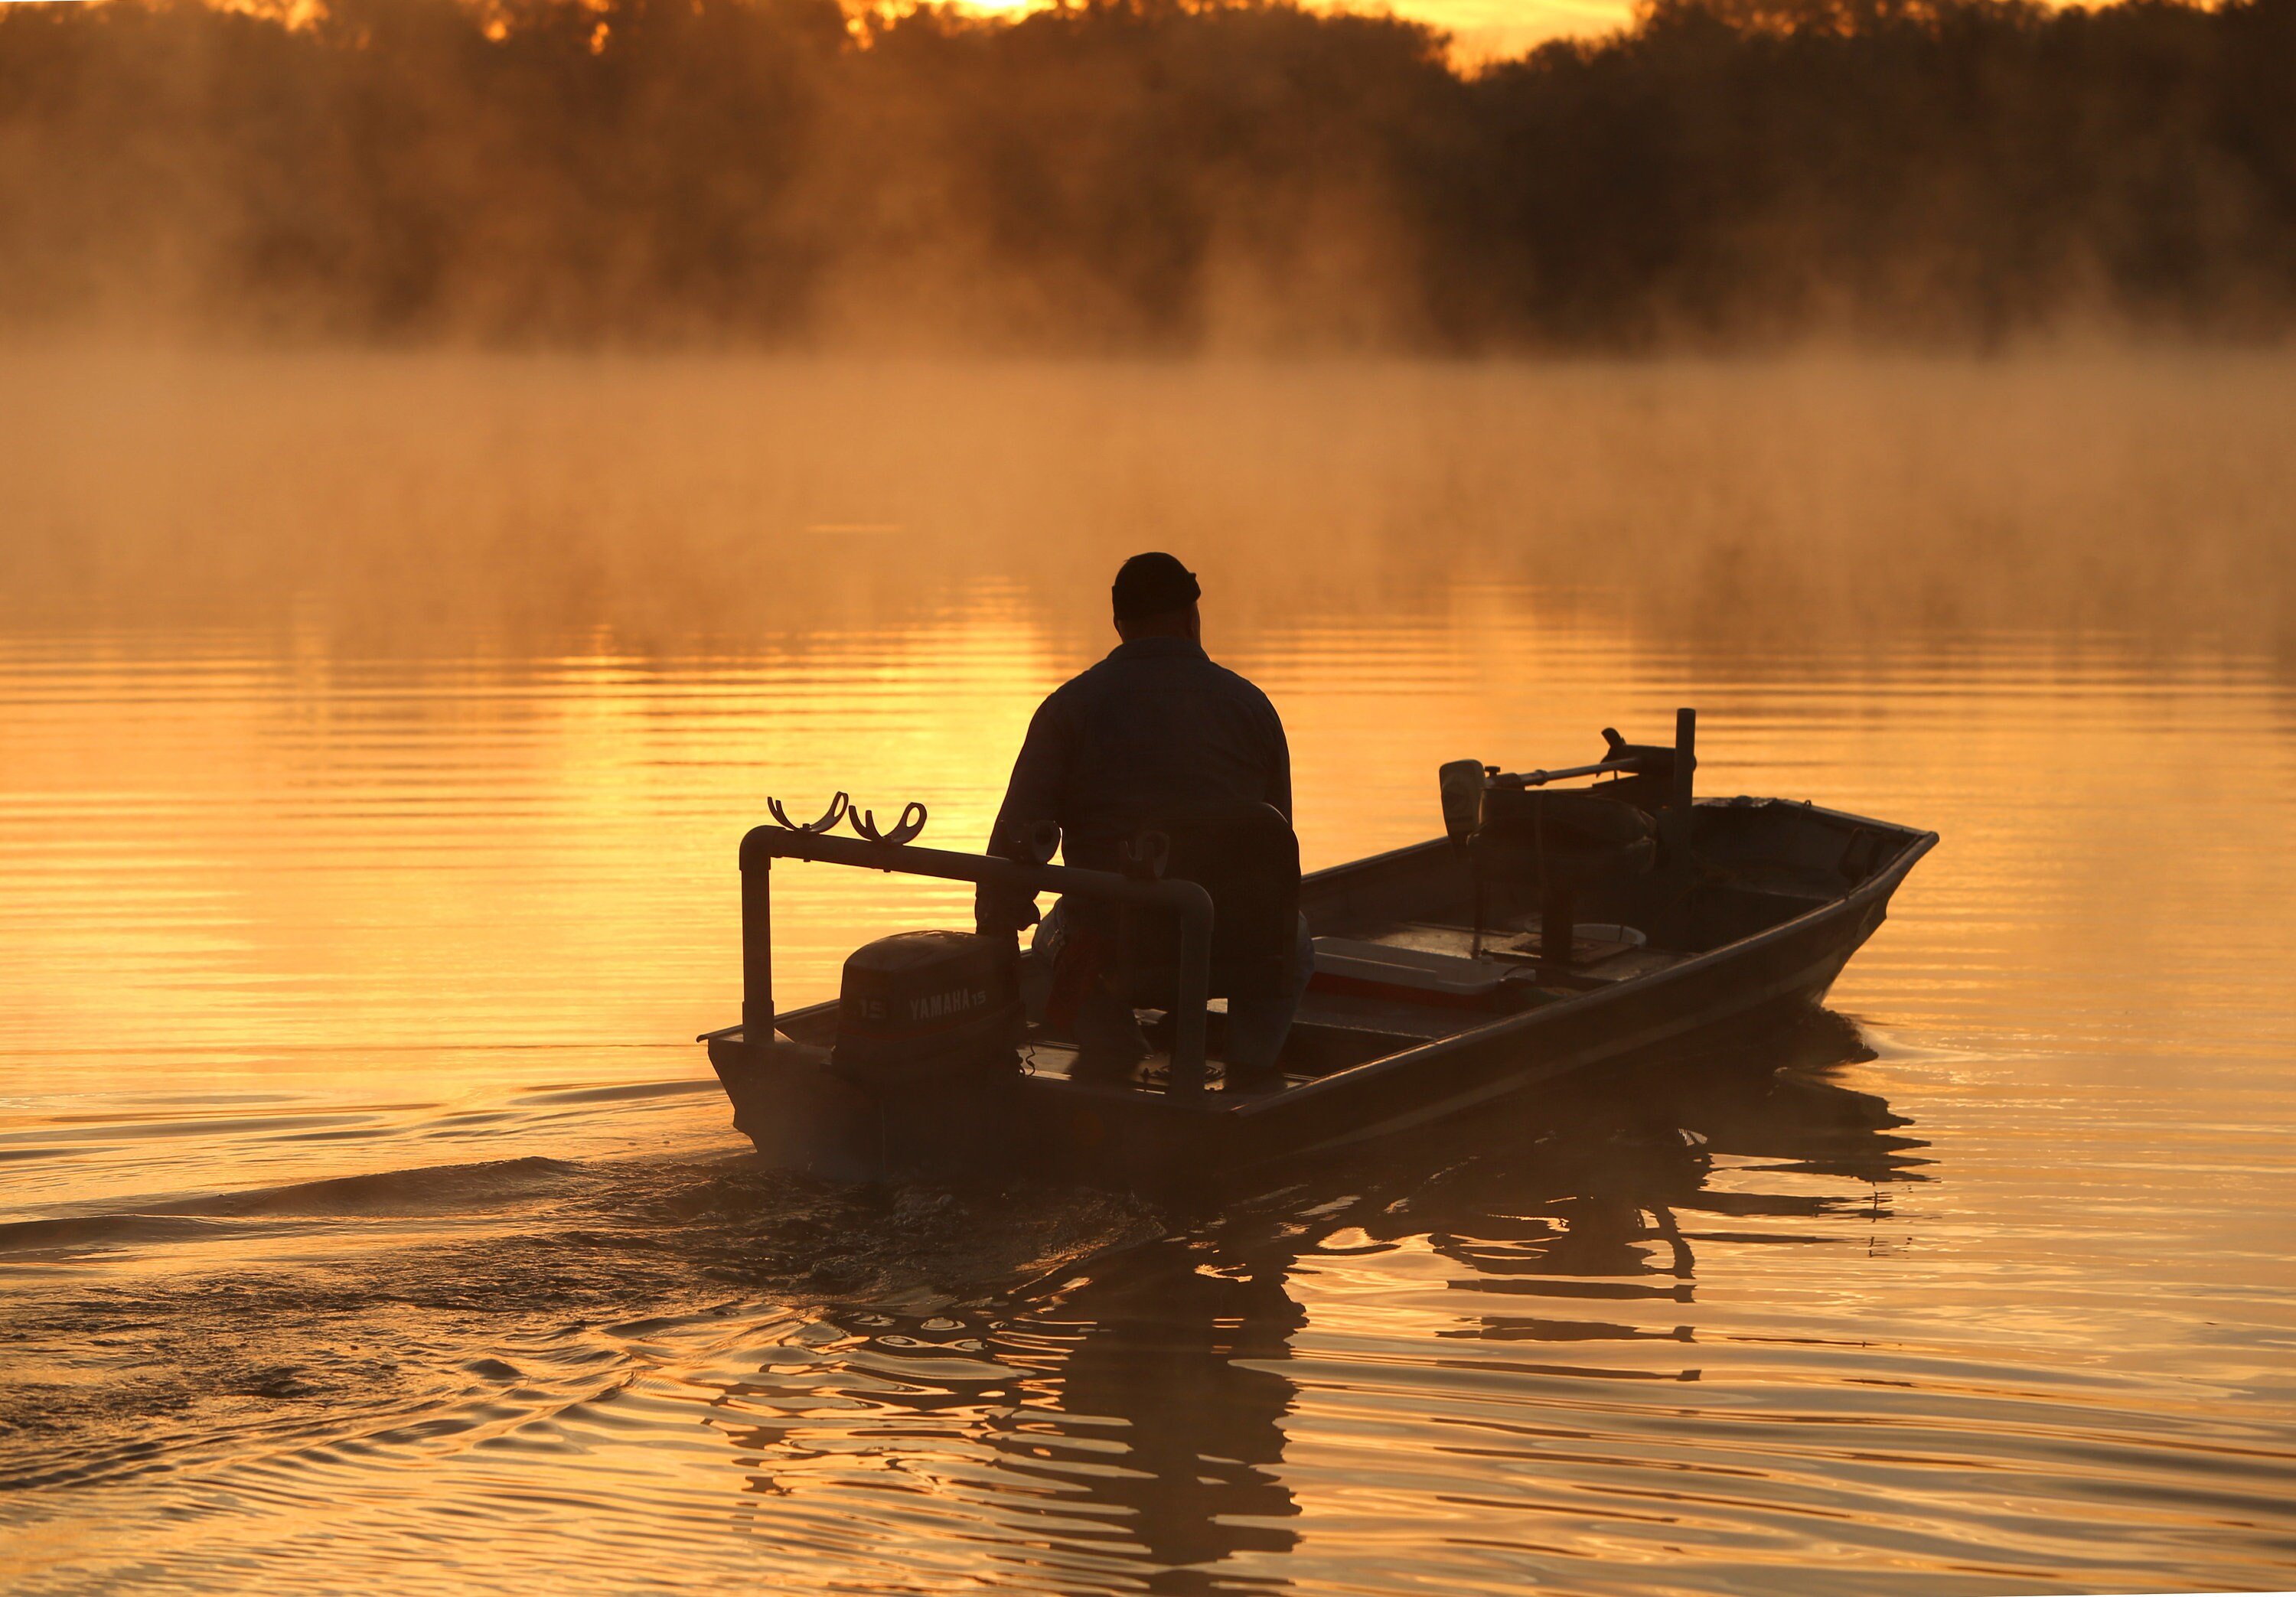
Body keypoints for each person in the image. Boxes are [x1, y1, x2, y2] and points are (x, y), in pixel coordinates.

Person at [977, 552, 1310, 1092]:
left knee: (1047, 936)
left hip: (1121, 951)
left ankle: (1116, 1053)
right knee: (1293, 935)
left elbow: (1007, 859)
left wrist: (994, 956)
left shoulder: (1069, 711)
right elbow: (1279, 853)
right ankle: (1252, 1069)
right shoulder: (1254, 709)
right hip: (1236, 945)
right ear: (1191, 618)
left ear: (1119, 626)